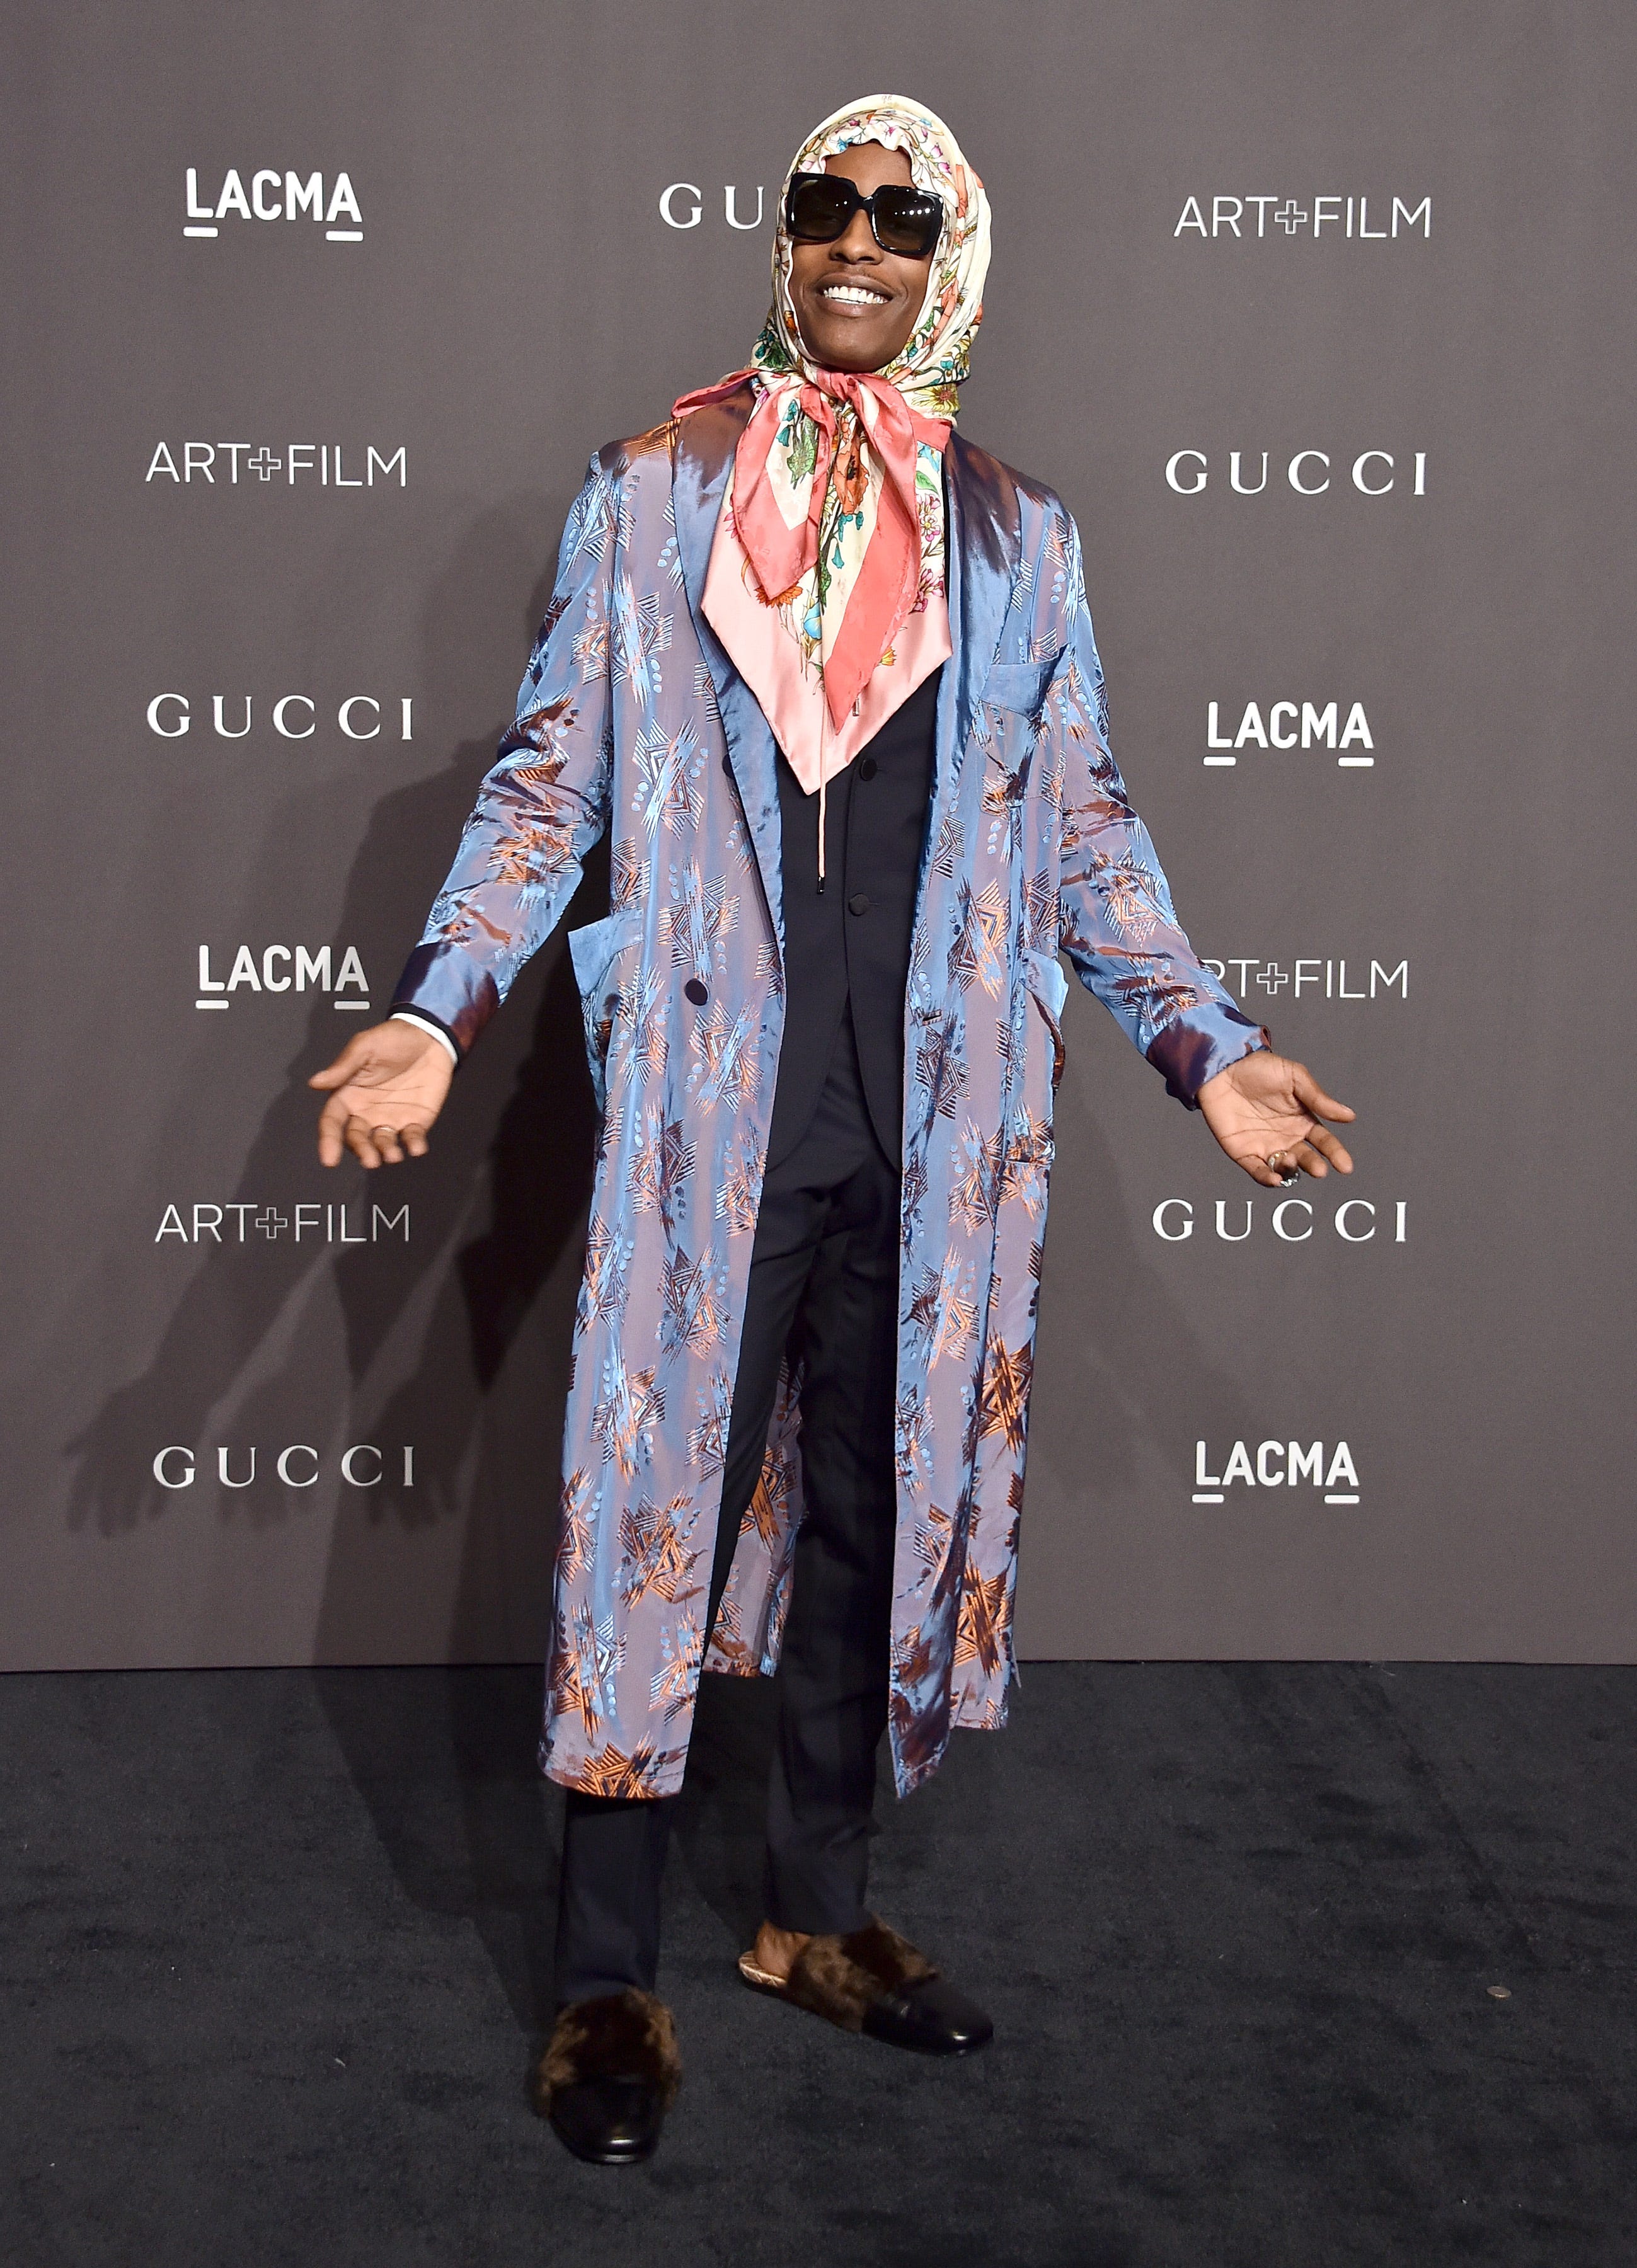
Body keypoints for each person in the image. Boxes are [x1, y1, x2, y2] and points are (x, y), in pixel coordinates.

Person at [311, 94, 1355, 2166]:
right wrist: (441, 1006)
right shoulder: (654, 493)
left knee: (881, 1522)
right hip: (714, 1124)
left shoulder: (1022, 535)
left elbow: (1085, 832)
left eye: (900, 213)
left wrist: (1201, 1041)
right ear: (782, 241)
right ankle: (610, 1975)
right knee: (647, 1521)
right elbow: (550, 792)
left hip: (939, 1130)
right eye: (823, 207)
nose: (854, 243)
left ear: (952, 250)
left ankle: (815, 1914)